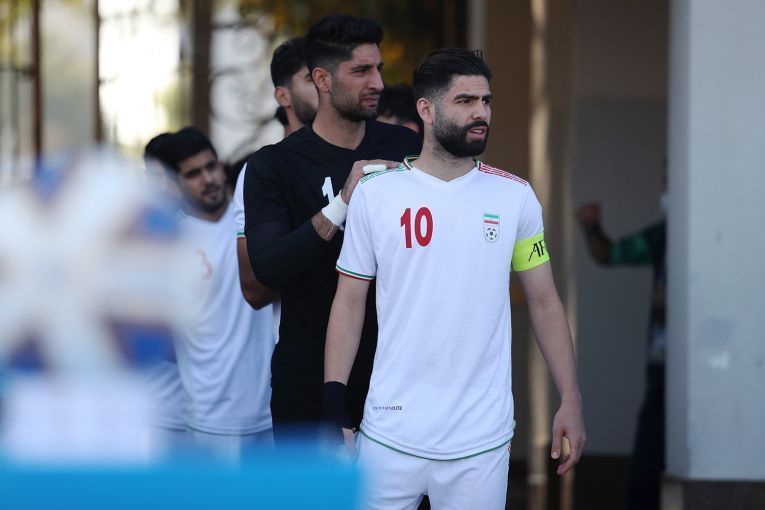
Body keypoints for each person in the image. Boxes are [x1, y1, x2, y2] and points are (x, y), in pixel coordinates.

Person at [323, 48, 586, 509]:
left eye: (486, 100)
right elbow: (349, 301)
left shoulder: (515, 197)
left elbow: (544, 300)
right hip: (389, 431)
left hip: (480, 438)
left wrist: (571, 398)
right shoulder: (376, 193)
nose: (480, 112)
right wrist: (333, 405)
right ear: (426, 110)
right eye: (465, 101)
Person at [243, 14, 422, 444]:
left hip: (397, 376)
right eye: (361, 71)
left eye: (378, 68)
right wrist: (341, 203)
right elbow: (268, 268)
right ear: (322, 79)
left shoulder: (406, 148)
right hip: (306, 380)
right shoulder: (274, 165)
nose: (377, 83)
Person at [158, 127, 277, 460]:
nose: (208, 179)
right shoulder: (170, 243)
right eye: (193, 173)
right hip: (210, 419)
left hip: (271, 410)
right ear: (176, 183)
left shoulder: (254, 223)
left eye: (211, 166)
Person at [577, 190, 666, 510]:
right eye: (664, 180)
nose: (666, 188)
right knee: (645, 471)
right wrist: (592, 229)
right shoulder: (664, 235)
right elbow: (611, 254)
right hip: (661, 371)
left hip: (708, 369)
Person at [233, 36, 318, 310]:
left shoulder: (364, 156)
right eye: (311, 78)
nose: (324, 86)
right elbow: (253, 288)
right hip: (298, 333)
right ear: (283, 96)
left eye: (326, 76)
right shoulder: (261, 170)